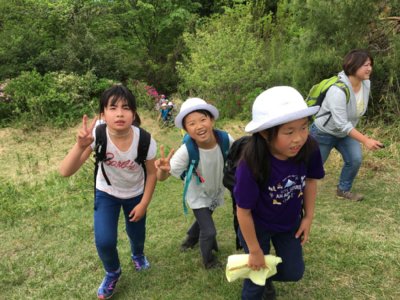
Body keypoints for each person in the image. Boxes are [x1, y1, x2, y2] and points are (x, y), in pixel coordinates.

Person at [59, 85, 157, 299]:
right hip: (106, 193)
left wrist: (144, 203)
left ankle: (138, 254)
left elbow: (151, 174)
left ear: (134, 114)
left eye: (126, 107)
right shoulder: (98, 135)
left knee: (136, 233)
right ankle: (113, 272)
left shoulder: (146, 141)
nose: (120, 113)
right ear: (103, 114)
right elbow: (65, 171)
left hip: (135, 194)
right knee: (104, 241)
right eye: (113, 108)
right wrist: (79, 145)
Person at [234, 86, 325, 300]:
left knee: (294, 272)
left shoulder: (309, 147)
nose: (299, 138)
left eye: (303, 128)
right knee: (255, 281)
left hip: (289, 223)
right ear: (265, 133)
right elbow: (243, 211)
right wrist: (255, 251)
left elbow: (311, 181)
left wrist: (308, 217)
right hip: (257, 227)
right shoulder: (251, 162)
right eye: (289, 131)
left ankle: (266, 277)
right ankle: (259, 280)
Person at [155, 98, 234, 269]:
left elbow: (239, 158)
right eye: (191, 123)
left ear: (212, 120)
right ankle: (209, 261)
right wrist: (162, 169)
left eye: (203, 119)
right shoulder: (186, 151)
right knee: (209, 230)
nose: (199, 126)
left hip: (216, 189)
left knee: (205, 219)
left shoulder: (226, 140)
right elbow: (162, 178)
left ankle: (190, 239)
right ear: (186, 130)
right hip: (197, 193)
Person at [309, 49, 383, 201]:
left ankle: (343, 190)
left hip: (345, 133)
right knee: (313, 166)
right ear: (353, 66)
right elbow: (341, 123)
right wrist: (365, 140)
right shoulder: (337, 91)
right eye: (365, 65)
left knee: (355, 159)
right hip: (324, 132)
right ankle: (296, 191)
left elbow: (354, 113)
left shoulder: (366, 84)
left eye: (370, 64)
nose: (369, 68)